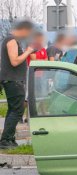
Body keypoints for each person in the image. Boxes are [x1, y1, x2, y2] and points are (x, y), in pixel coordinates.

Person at [0, 20, 34, 149]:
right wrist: (28, 51)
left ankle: (8, 138)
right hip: (13, 81)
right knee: (17, 110)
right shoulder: (11, 40)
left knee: (13, 110)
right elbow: (14, 61)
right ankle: (5, 140)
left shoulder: (12, 40)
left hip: (13, 81)